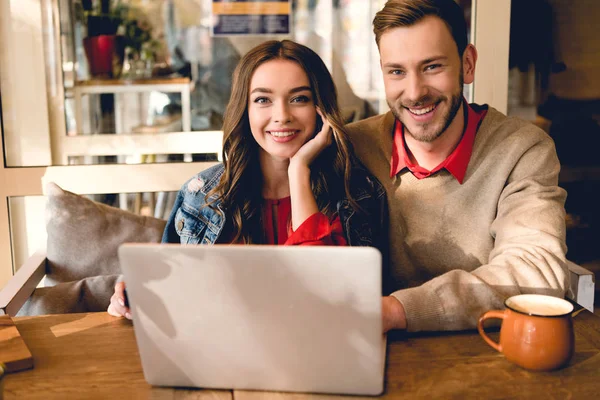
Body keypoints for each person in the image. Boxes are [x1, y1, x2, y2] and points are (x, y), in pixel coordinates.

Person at [108, 40, 387, 320]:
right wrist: (131, 293)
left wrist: (298, 170)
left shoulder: (356, 195)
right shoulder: (201, 195)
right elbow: (168, 284)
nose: (282, 116)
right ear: (245, 108)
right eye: (263, 100)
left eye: (299, 98)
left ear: (321, 109)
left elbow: (323, 299)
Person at [347, 0, 568, 332]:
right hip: (373, 350)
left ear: (467, 64)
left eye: (432, 66)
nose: (415, 92)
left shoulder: (523, 149)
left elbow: (537, 273)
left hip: (487, 357)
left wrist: (399, 310)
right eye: (397, 71)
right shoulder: (352, 148)